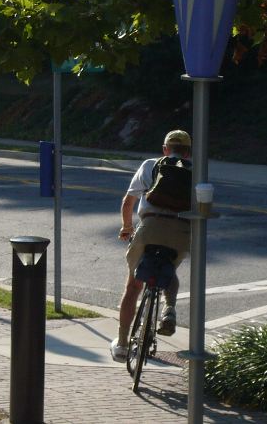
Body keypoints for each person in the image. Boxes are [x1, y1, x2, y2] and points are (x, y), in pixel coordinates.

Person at [110, 130, 192, 362]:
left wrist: (126, 227)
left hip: (150, 228)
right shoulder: (196, 171)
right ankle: (169, 308)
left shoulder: (150, 165)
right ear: (187, 152)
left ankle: (123, 344)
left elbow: (128, 201)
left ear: (165, 149)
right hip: (181, 231)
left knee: (133, 286)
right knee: (170, 270)